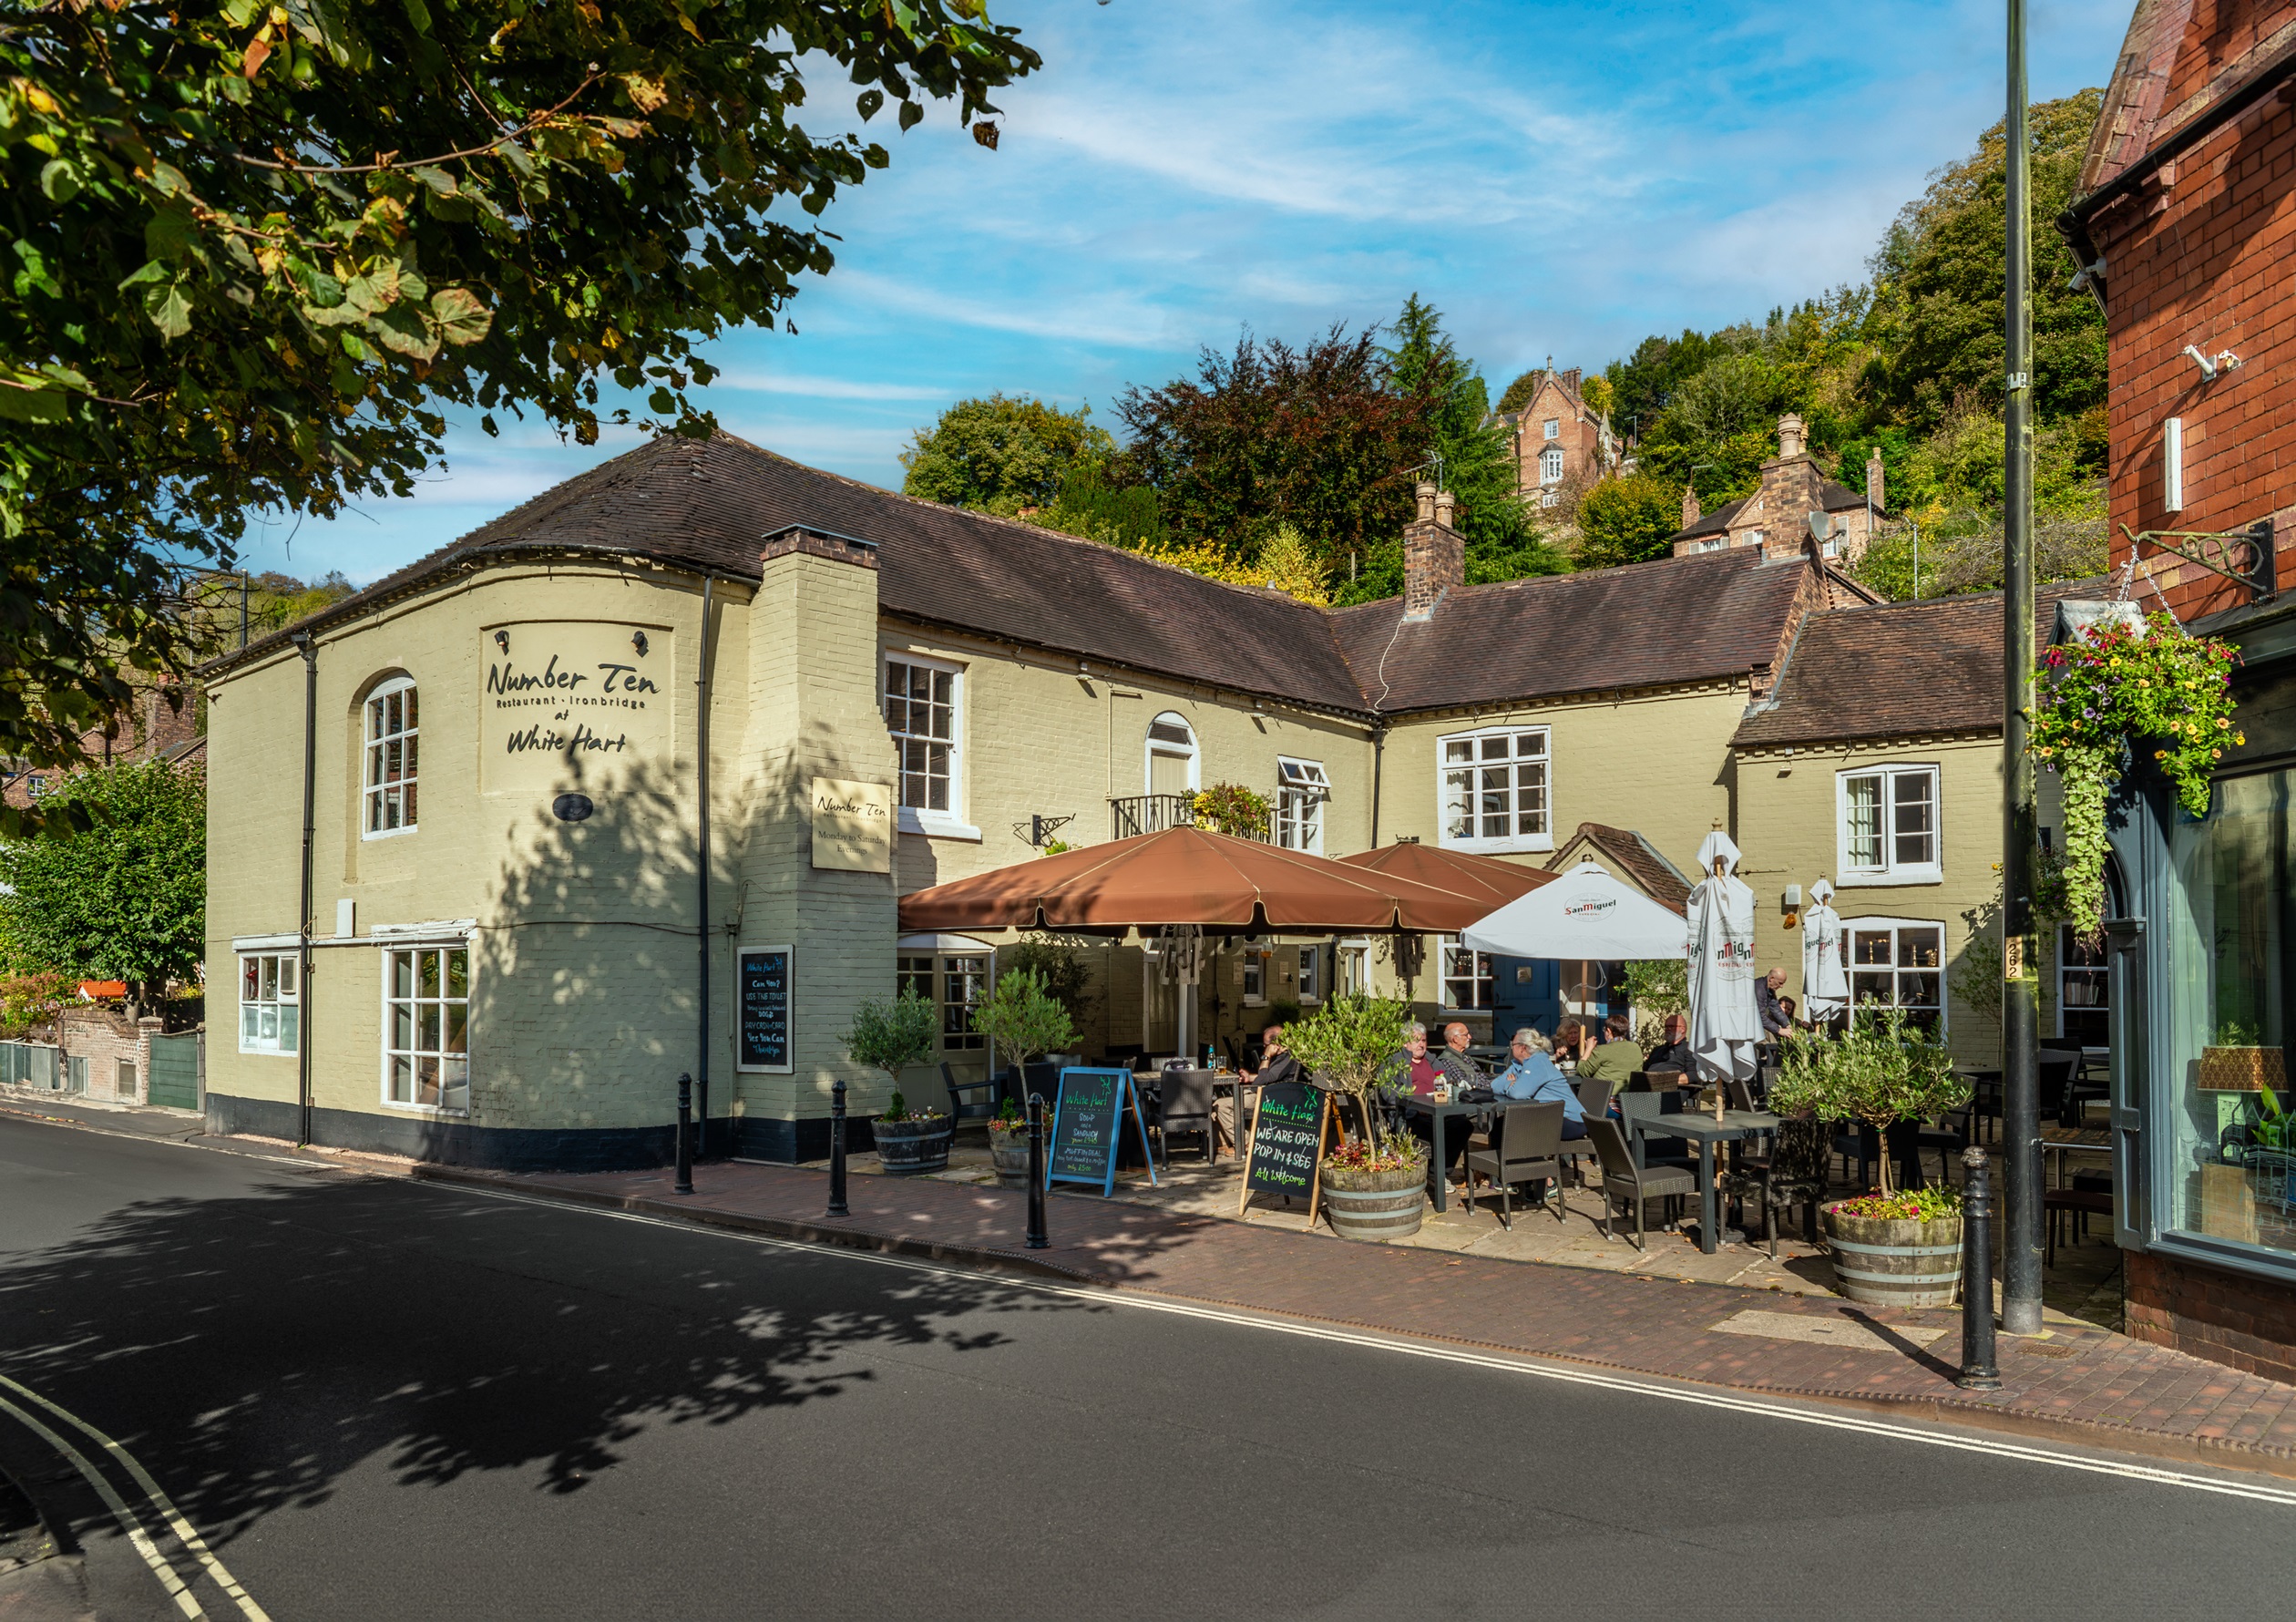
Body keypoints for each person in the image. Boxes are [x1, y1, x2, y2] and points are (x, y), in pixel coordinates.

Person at [1577, 1012, 1644, 1088]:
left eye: (1604, 1030)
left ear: (1608, 1031)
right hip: (1630, 1094)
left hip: (1604, 1094)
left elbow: (1582, 1071)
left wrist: (1588, 1049)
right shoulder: (1636, 1048)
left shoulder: (1602, 1050)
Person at [1645, 1012, 1698, 1079]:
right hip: (1648, 1083)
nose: (1668, 1029)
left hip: (1672, 1084)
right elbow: (1644, 1069)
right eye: (1666, 1026)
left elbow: (1693, 1074)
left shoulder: (1689, 1049)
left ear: (1683, 1029)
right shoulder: (1657, 1050)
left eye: (1671, 1026)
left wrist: (1666, 1080)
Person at [1435, 1021, 1482, 1091]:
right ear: (1455, 1039)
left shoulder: (1464, 1056)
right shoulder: (1447, 1060)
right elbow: (1463, 1085)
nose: (1470, 1037)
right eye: (1466, 1035)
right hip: (1476, 1093)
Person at [1758, 967, 1793, 1040]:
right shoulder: (1759, 990)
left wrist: (1787, 1025)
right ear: (1771, 979)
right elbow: (1759, 1015)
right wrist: (1779, 1030)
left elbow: (1776, 1008)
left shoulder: (1769, 990)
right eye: (1780, 983)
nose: (1781, 986)